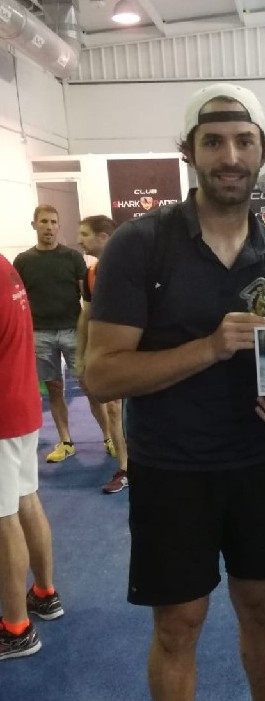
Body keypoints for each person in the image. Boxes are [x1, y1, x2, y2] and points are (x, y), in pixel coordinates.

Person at [84, 83, 265, 701]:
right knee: (178, 626)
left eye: (242, 141)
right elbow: (101, 375)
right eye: (213, 142)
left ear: (264, 151)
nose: (229, 156)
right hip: (171, 469)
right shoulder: (141, 244)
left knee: (262, 609)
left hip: (259, 466)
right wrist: (210, 347)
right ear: (188, 151)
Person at [13, 205, 115, 463]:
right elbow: (18, 300)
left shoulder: (72, 258)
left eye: (53, 222)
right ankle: (66, 442)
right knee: (54, 388)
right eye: (44, 222)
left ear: (58, 226)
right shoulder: (23, 261)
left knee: (90, 387)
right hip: (40, 334)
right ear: (34, 225)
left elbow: (88, 296)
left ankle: (109, 437)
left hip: (72, 330)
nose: (49, 227)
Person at [0, 253, 64, 661]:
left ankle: (16, 629)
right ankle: (43, 592)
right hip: (20, 404)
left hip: (3, 415)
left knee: (3, 519)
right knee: (25, 499)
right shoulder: (4, 265)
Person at [76, 215, 129, 494]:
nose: (79, 240)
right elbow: (86, 316)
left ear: (103, 237)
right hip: (108, 353)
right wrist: (81, 356)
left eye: (84, 234)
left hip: (142, 355)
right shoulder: (91, 274)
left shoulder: (135, 267)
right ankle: (125, 467)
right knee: (113, 408)